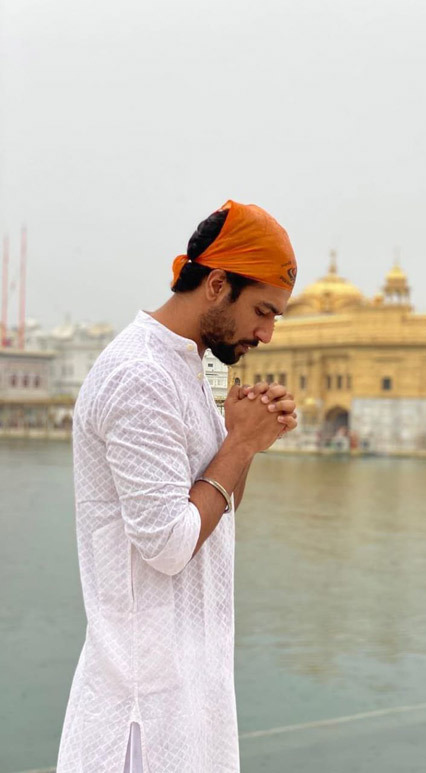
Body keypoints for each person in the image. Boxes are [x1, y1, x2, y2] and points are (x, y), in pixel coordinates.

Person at [56, 200, 298, 772]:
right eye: (262, 311)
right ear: (217, 284)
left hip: (190, 702)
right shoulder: (141, 375)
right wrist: (238, 444)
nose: (265, 333)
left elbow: (218, 509)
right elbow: (168, 544)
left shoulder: (187, 369)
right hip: (140, 718)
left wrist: (246, 439)